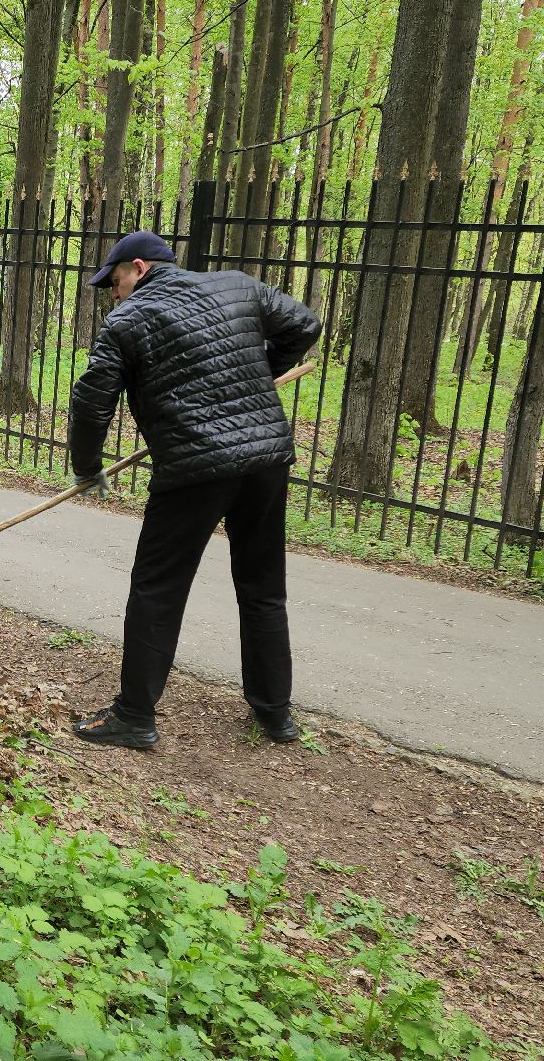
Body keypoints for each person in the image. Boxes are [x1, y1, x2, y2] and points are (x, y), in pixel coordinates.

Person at [66, 230, 322, 751]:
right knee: (263, 587)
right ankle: (276, 715)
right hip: (266, 461)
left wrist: (86, 468)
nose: (113, 293)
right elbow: (305, 323)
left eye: (115, 281)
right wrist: (257, 375)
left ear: (139, 268)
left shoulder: (128, 319)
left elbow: (92, 402)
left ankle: (134, 717)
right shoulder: (237, 285)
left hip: (194, 467)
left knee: (158, 589)